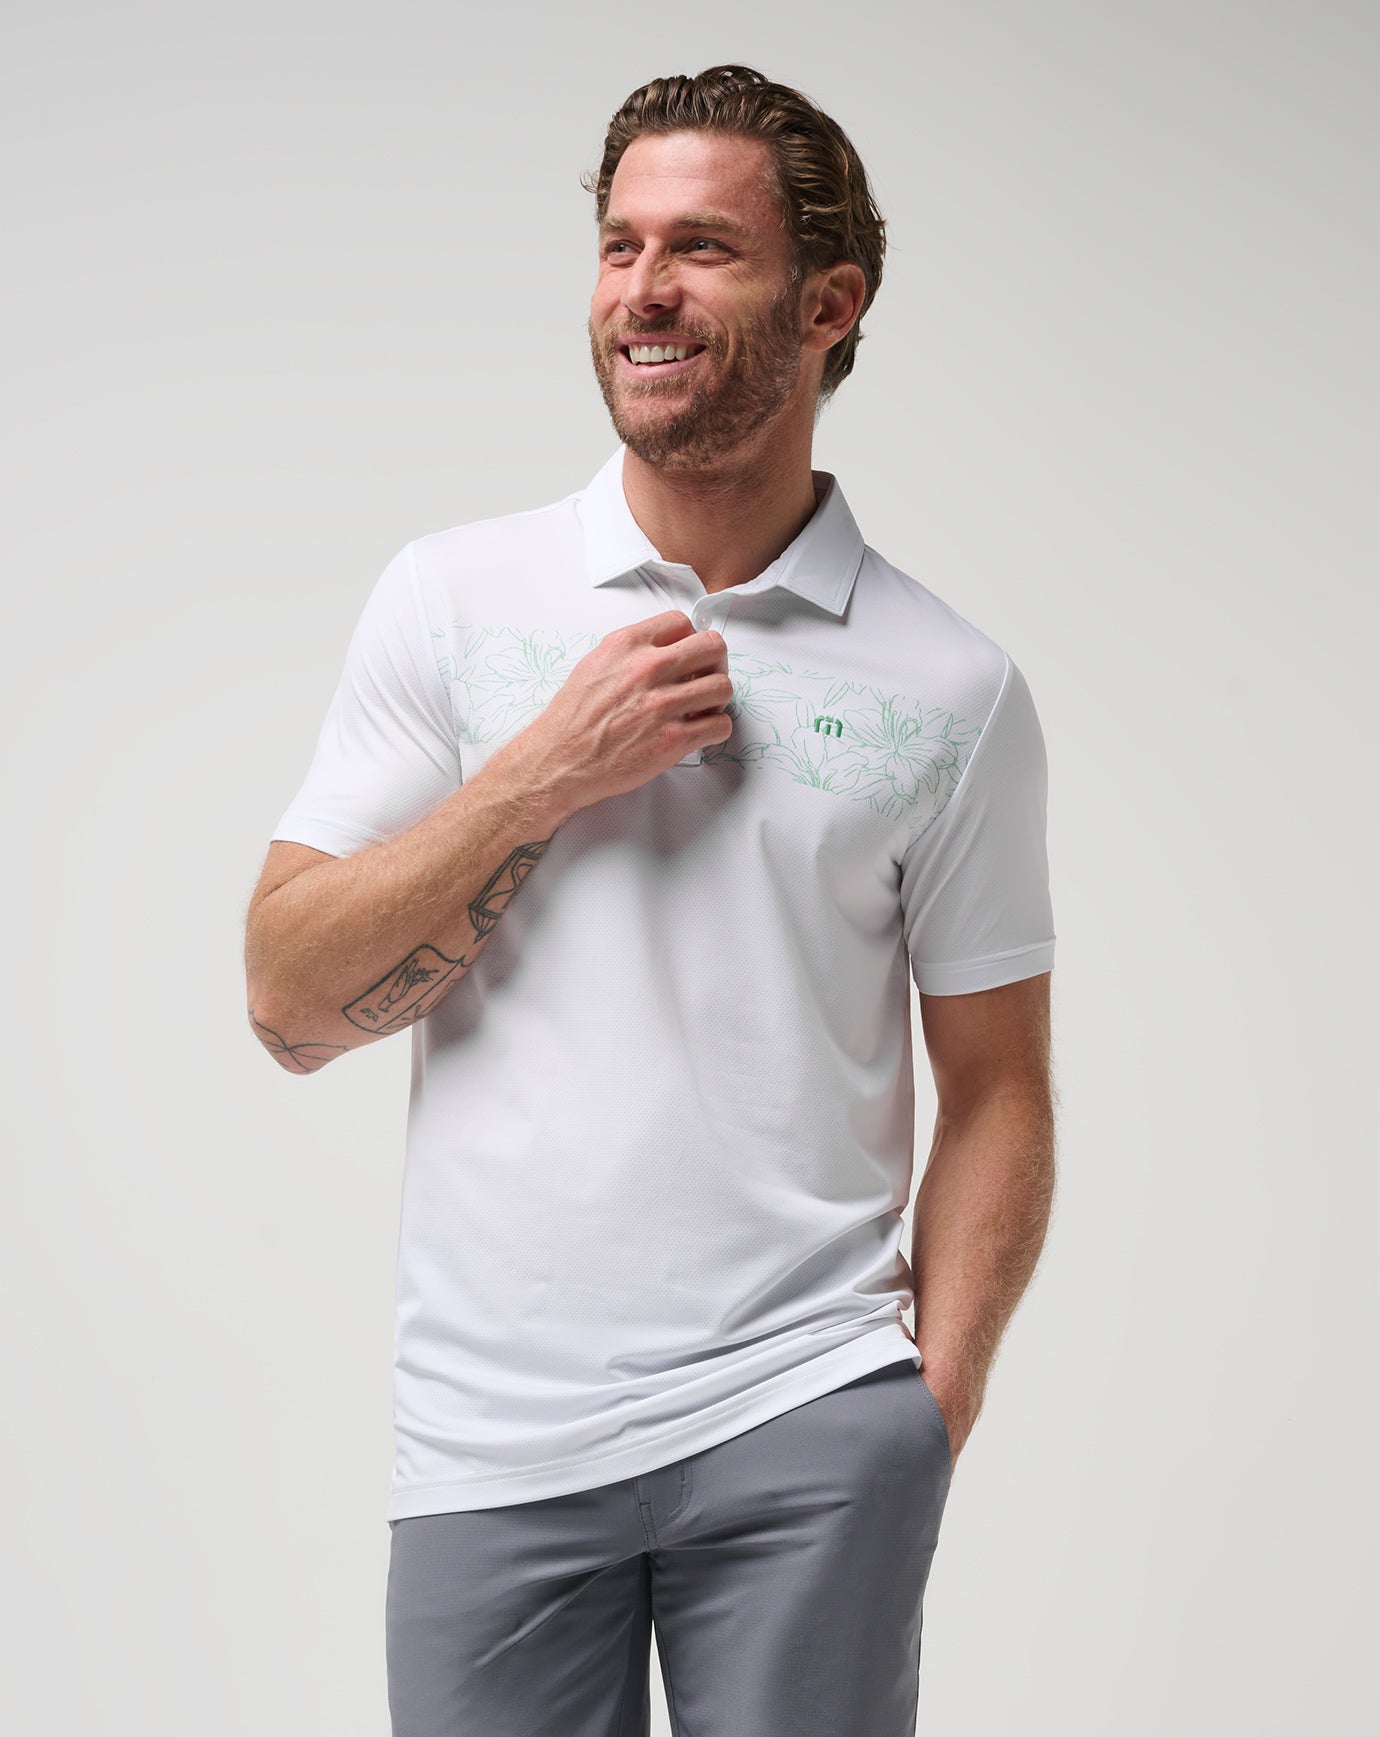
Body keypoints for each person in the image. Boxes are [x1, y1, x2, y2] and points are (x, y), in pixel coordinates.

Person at [244, 62, 1057, 1737]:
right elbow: (287, 999)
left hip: (808, 1418)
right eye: (621, 246)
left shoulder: (953, 687)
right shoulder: (455, 599)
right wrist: (543, 773)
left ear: (828, 305)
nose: (643, 290)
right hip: (489, 1444)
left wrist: (928, 1399)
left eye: (702, 248)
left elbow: (998, 1084)